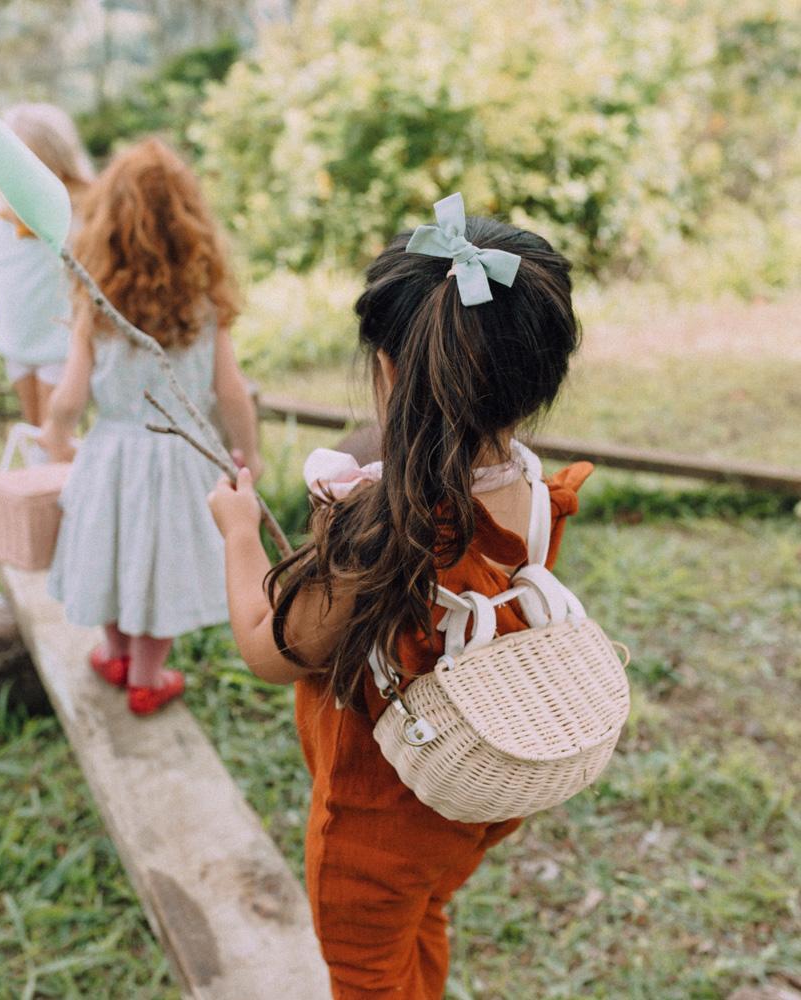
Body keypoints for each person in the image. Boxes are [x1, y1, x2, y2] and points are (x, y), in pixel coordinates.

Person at [208, 194, 594, 998]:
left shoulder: (385, 534)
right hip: (475, 802)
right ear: (537, 379)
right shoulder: (530, 488)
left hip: (378, 822)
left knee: (368, 977)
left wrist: (241, 532)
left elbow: (266, 649)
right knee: (425, 918)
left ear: (387, 369)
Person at [40, 138, 261, 716]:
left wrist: (57, 438)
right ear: (190, 222)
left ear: (108, 221)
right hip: (177, 455)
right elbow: (230, 391)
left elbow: (69, 393)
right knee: (160, 565)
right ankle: (146, 675)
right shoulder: (203, 302)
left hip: (110, 453)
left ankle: (115, 655)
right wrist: (248, 452)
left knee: (110, 551)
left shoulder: (97, 300)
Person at [0, 103, 95, 426]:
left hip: (62, 343)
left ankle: (53, 472)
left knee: (54, 429)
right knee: (33, 425)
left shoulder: (78, 216)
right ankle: (38, 471)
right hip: (16, 340)